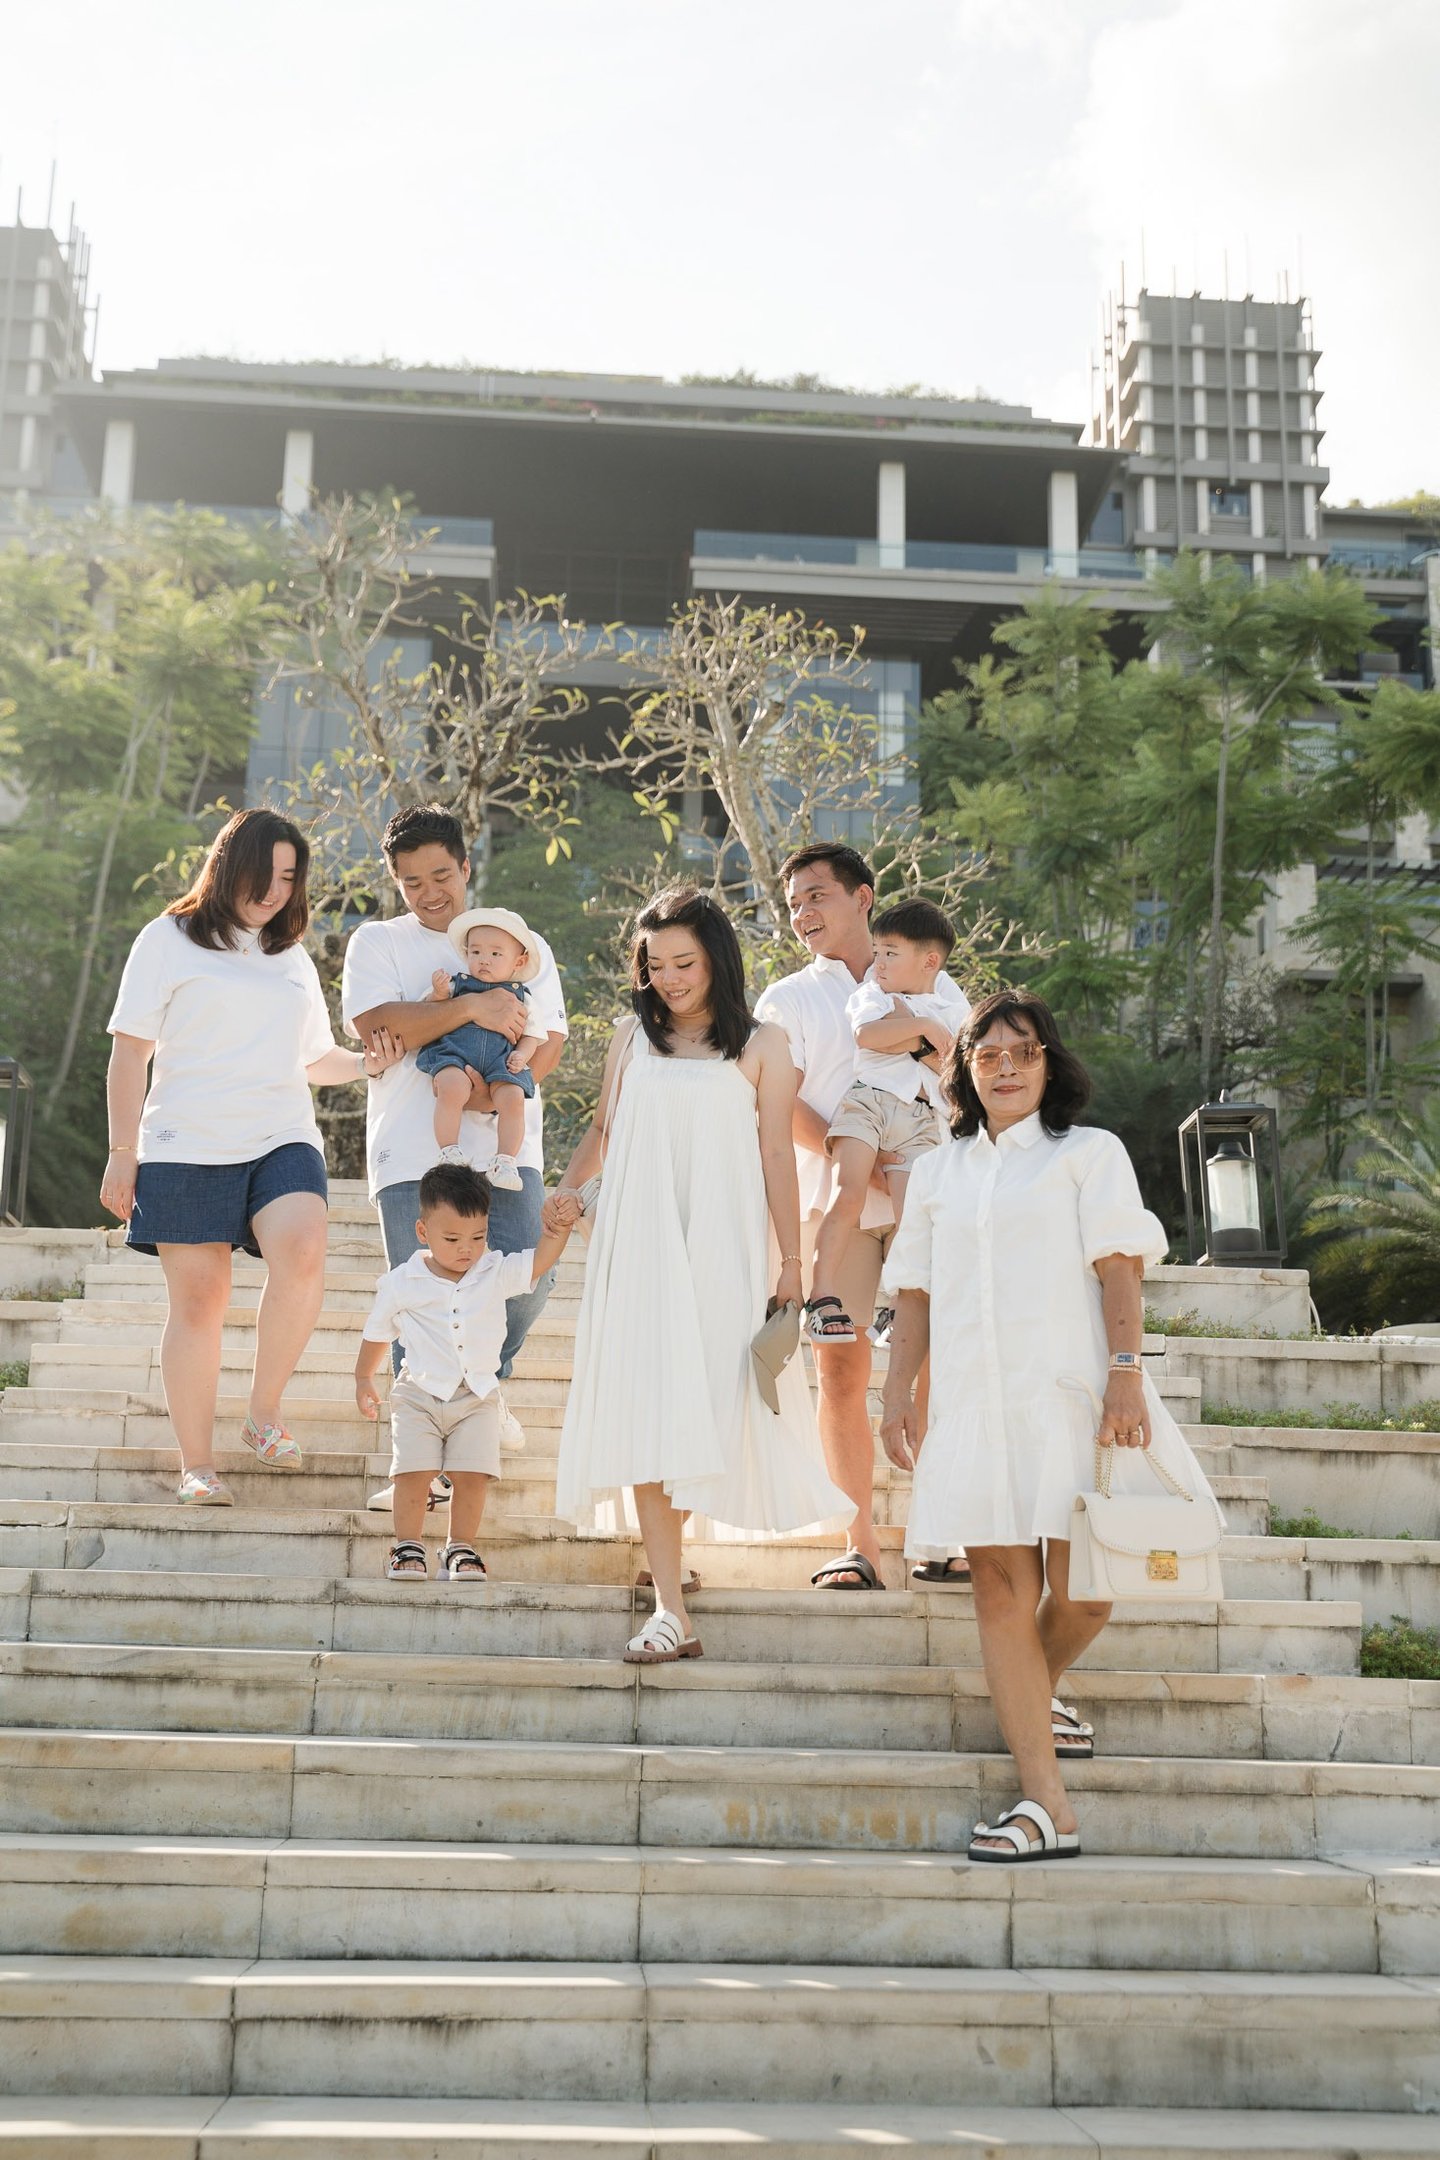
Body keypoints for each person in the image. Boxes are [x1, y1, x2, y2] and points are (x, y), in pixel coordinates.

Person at [878, 988, 1222, 1862]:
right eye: (986, 1053)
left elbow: (1119, 1273)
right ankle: (1046, 1806)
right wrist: (896, 1395)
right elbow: (913, 1294)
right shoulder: (935, 1172)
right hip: (974, 1409)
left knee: (1086, 1592)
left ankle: (1037, 1688)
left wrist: (1126, 1377)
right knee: (998, 1590)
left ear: (1049, 1064)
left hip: (1071, 1398)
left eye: (1021, 1052)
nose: (1003, 1067)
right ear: (964, 1069)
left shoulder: (1088, 1154)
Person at [548, 884, 848, 1662]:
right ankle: (670, 1606)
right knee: (650, 1407)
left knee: (708, 1401)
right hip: (638, 1241)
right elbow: (606, 1130)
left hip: (725, 1243)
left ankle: (673, 1563)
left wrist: (793, 1262)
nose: (671, 979)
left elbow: (778, 1153)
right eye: (655, 965)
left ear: (717, 957)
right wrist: (570, 1195)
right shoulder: (628, 1037)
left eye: (685, 962)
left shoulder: (763, 1045)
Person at [100, 807, 401, 1505]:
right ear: (228, 865)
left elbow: (313, 1058)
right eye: (263, 874)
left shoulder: (289, 957)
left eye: (288, 879)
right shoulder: (167, 939)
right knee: (201, 1301)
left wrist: (365, 1063)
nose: (274, 892)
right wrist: (123, 1152)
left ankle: (264, 1413)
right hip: (185, 1141)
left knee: (303, 1247)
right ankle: (197, 1465)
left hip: (280, 1135)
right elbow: (129, 1052)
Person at [754, 845, 970, 1590]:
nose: (804, 914)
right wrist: (866, 1159)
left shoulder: (941, 986)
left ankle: (939, 1536)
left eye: (817, 897)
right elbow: (780, 1106)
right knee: (839, 1366)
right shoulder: (786, 998)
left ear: (862, 897)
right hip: (836, 1202)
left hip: (925, 1194)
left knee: (937, 1366)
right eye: (793, 905)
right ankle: (858, 1542)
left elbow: (965, 1085)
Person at [341, 804, 568, 1509]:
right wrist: (470, 1011)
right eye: (412, 882)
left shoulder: (521, 944)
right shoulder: (377, 942)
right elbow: (380, 1023)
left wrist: (482, 1088)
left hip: (505, 1145)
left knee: (528, 1279)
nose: (429, 891)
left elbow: (549, 1039)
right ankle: (420, 1472)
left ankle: (483, 1385)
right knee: (423, 1301)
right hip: (414, 1150)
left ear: (467, 866)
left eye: (441, 874)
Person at [355, 1162, 575, 1581]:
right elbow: (378, 1332)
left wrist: (558, 1227)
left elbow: (540, 1261)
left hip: (476, 1396)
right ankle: (407, 1545)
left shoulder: (493, 1271)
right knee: (413, 1472)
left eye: (478, 1236)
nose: (466, 1249)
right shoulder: (404, 1281)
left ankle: (460, 1548)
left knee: (473, 1474)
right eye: (452, 1238)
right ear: (423, 1233)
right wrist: (364, 1377)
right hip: (418, 1393)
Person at [805, 898, 960, 1350]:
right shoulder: (871, 993)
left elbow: (954, 1064)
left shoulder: (951, 1005)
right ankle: (821, 1297)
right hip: (868, 1104)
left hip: (920, 1118)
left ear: (929, 960)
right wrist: (926, 1029)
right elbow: (868, 1035)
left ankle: (896, 1304)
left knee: (910, 1215)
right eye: (878, 950)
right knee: (848, 1192)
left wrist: (913, 1027)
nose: (879, 961)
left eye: (890, 952)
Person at [418, 907, 547, 1189]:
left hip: (501, 1060)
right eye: (476, 953)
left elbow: (534, 1034)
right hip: (456, 1054)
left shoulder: (523, 998)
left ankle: (505, 1160)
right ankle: (448, 1150)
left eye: (495, 954)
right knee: (451, 1086)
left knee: (512, 1098)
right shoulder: (459, 985)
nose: (483, 960)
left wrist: (521, 1055)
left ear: (519, 961)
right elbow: (430, 1012)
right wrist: (439, 993)